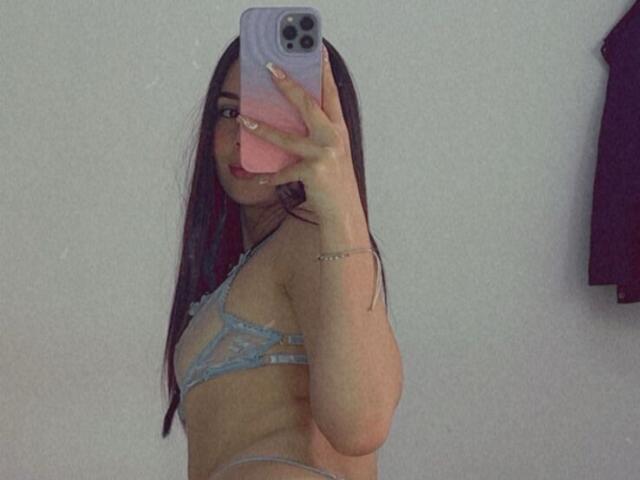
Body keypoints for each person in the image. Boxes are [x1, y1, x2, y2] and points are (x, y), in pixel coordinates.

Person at [160, 36, 401, 480]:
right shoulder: (260, 258)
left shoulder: (310, 239)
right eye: (229, 113)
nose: (243, 136)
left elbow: (361, 423)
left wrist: (340, 199)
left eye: (270, 115)